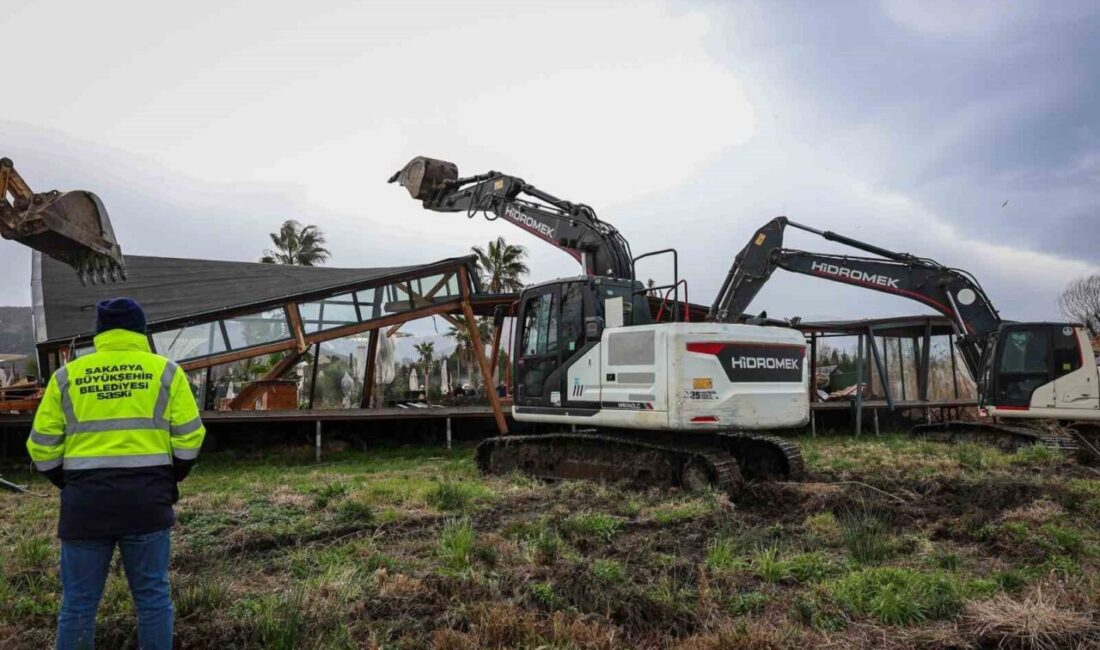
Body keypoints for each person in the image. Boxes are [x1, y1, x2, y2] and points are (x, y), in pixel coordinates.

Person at [26, 298, 206, 650]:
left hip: (85, 505)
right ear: (141, 330)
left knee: (78, 604)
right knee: (153, 599)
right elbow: (190, 438)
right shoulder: (167, 373)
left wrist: (68, 481)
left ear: (100, 332)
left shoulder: (66, 377)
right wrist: (171, 477)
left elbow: (41, 447)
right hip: (147, 502)